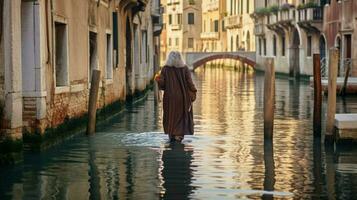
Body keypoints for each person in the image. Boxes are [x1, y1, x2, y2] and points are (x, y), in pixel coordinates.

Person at [155, 51, 197, 142]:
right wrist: (193, 93)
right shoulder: (185, 69)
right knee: (181, 117)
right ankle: (179, 135)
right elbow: (190, 84)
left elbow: (163, 85)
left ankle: (172, 134)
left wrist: (158, 79)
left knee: (170, 116)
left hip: (169, 98)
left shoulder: (165, 69)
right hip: (182, 98)